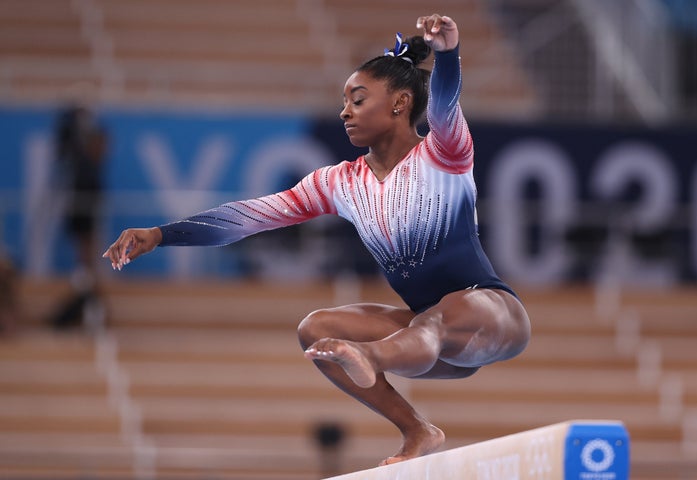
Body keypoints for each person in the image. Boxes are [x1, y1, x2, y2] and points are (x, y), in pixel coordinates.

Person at [102, 14, 531, 466]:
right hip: (426, 342)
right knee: (317, 331)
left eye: (358, 99)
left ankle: (368, 354)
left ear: (400, 104)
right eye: (344, 101)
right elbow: (250, 217)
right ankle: (417, 430)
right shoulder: (340, 182)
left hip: (491, 314)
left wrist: (447, 54)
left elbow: (444, 105)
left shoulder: (443, 153)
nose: (345, 111)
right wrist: (161, 234)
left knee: (430, 324)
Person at [52, 102, 108, 330]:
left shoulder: (92, 166)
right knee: (86, 259)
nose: (104, 149)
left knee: (89, 261)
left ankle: (89, 301)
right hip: (81, 215)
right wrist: (76, 116)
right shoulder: (82, 162)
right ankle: (86, 299)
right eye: (101, 145)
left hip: (86, 214)